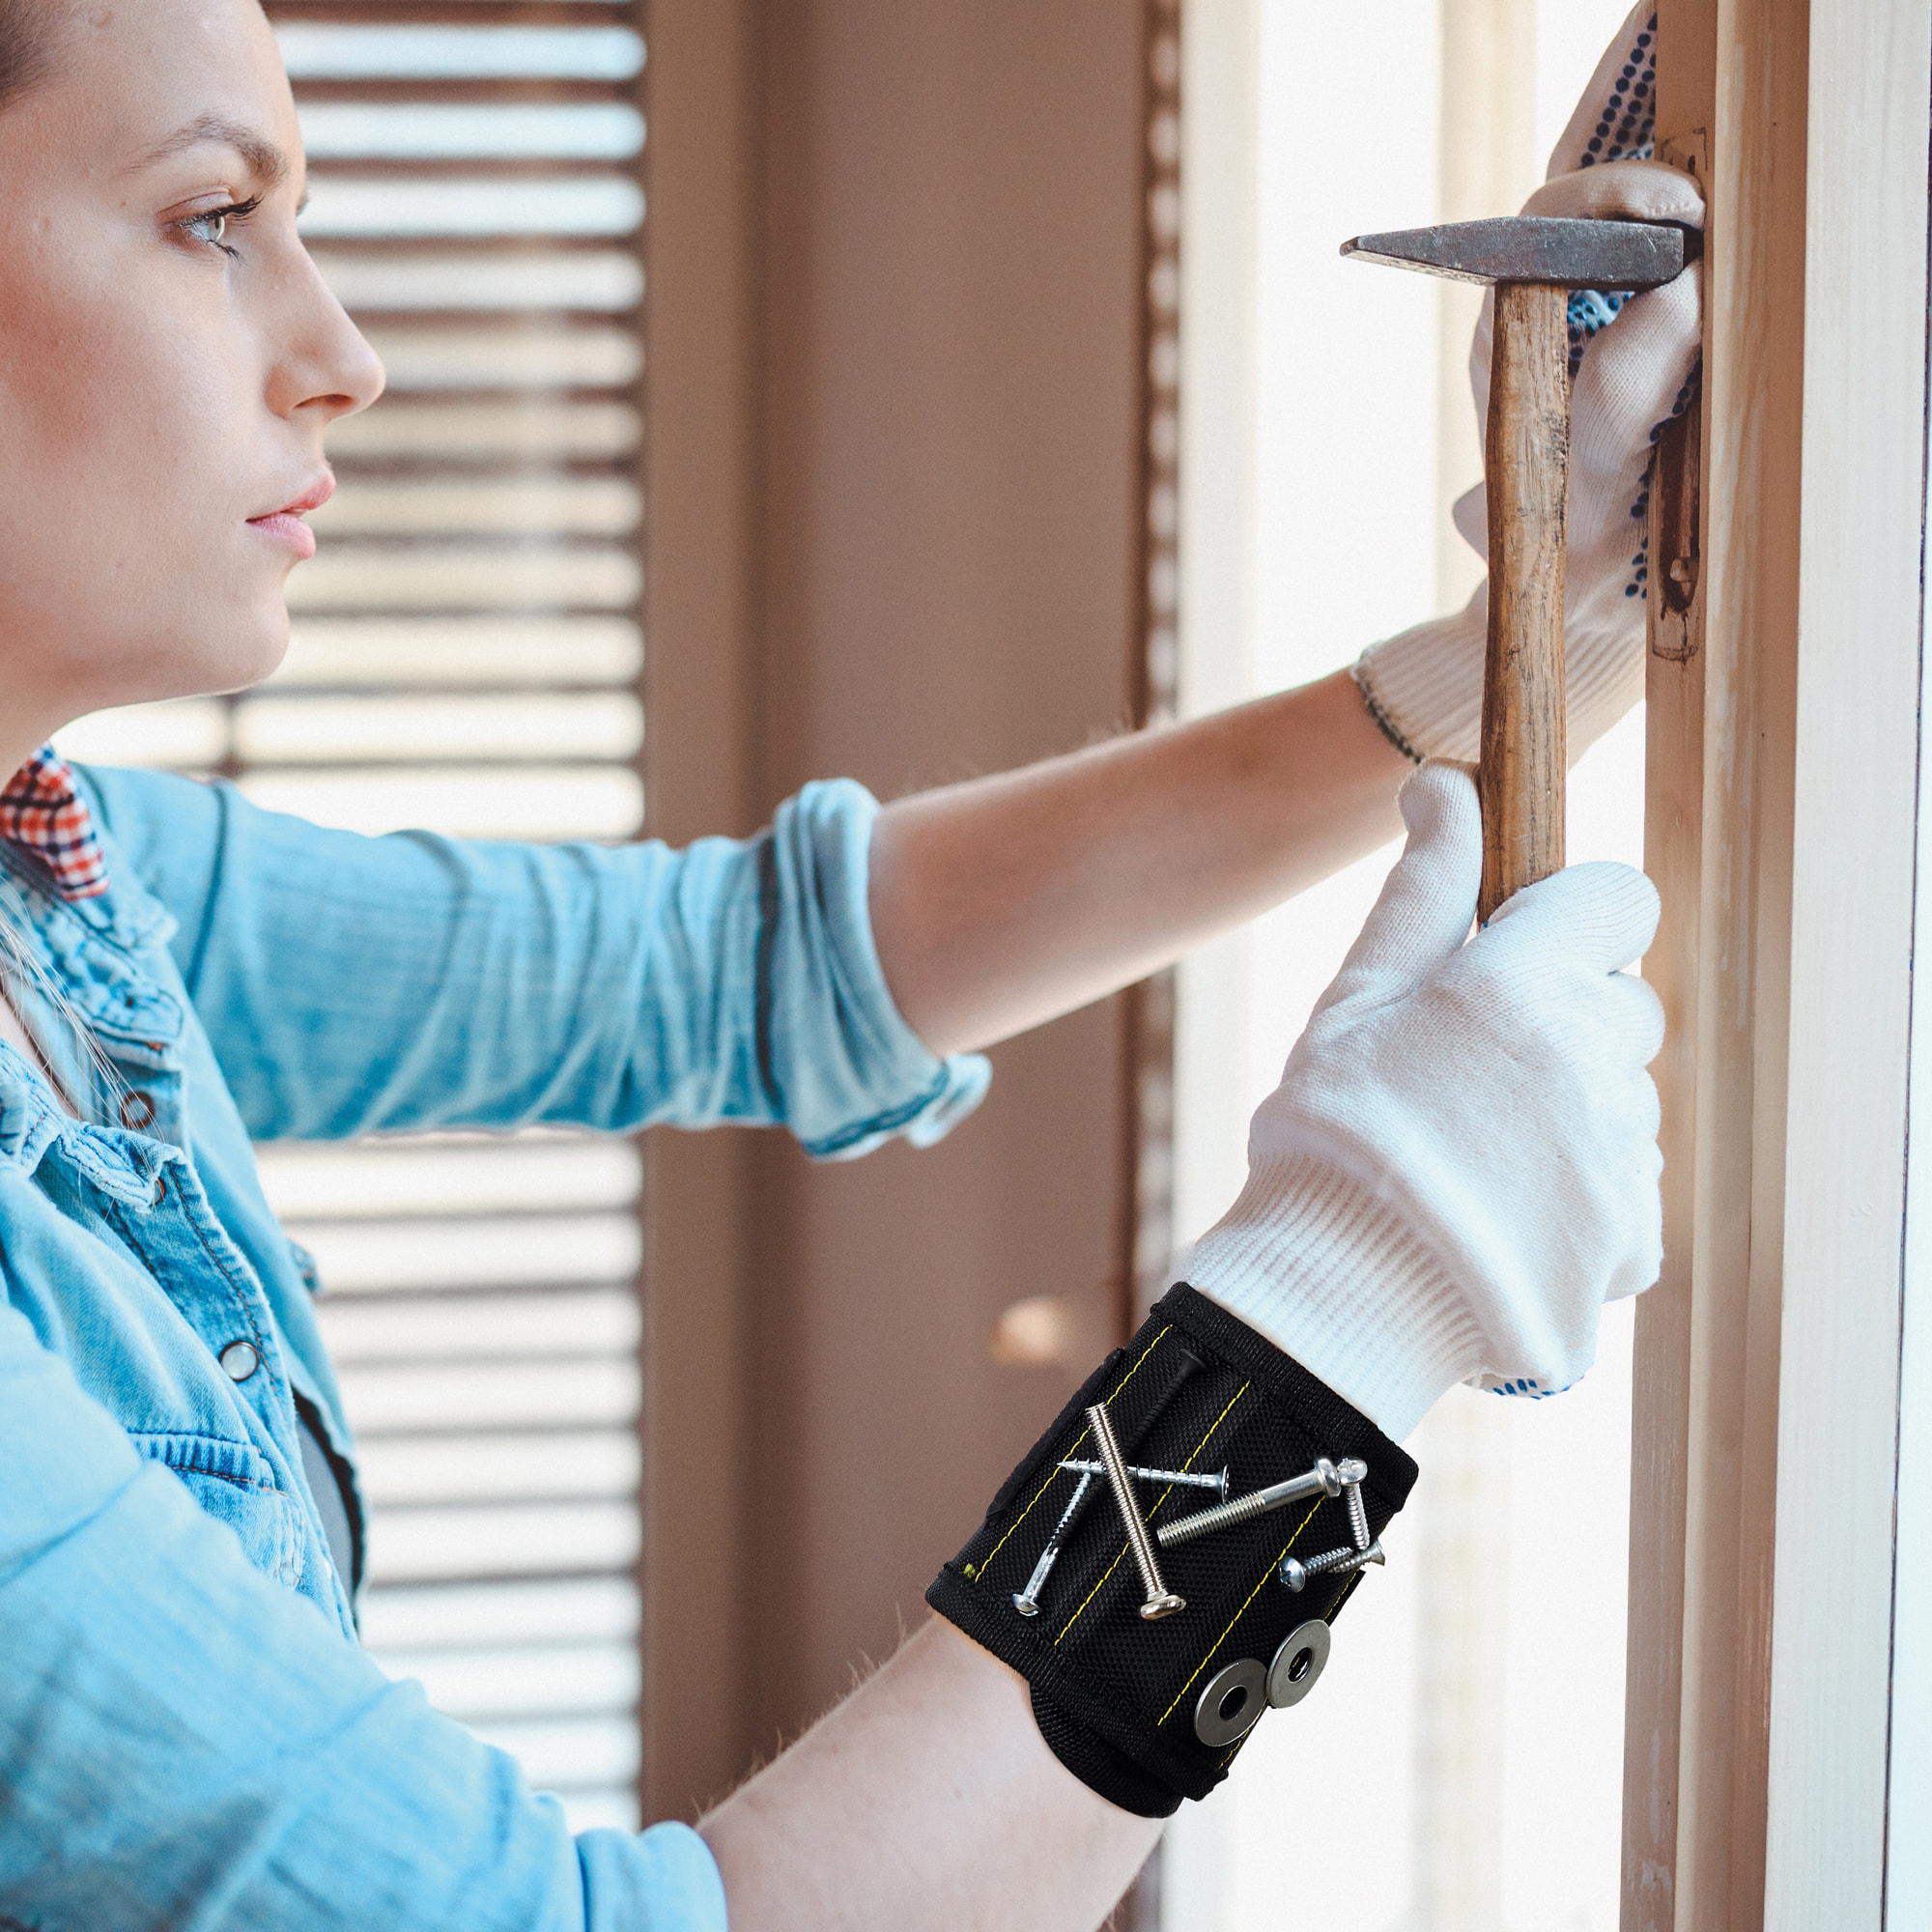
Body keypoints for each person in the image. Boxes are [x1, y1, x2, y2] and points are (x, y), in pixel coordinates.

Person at [0, 2, 1692, 1926]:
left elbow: (743, 965)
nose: (345, 357)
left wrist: (1525, 648)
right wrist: (1358, 1293)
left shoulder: (57, 881)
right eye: (218, 215)